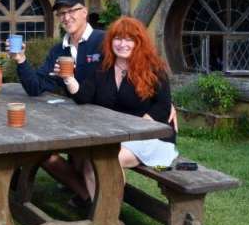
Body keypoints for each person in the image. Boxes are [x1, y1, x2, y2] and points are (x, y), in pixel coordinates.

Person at [7, 0, 106, 207]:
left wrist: (163, 102)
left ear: (84, 12)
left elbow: (134, 68)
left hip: (108, 121)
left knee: (87, 158)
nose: (66, 17)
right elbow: (36, 87)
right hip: (76, 122)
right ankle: (87, 197)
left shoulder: (104, 41)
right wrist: (21, 60)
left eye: (71, 11)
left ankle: (97, 201)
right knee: (42, 154)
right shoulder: (59, 50)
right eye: (61, 13)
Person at [61, 16, 178, 199]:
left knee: (104, 163)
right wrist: (68, 78)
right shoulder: (103, 68)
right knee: (89, 161)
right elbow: (83, 96)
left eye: (129, 39)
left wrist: (132, 131)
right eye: (118, 38)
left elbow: (162, 107)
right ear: (110, 41)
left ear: (139, 42)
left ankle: (109, 212)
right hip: (117, 137)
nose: (122, 44)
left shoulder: (154, 69)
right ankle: (100, 208)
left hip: (151, 137)